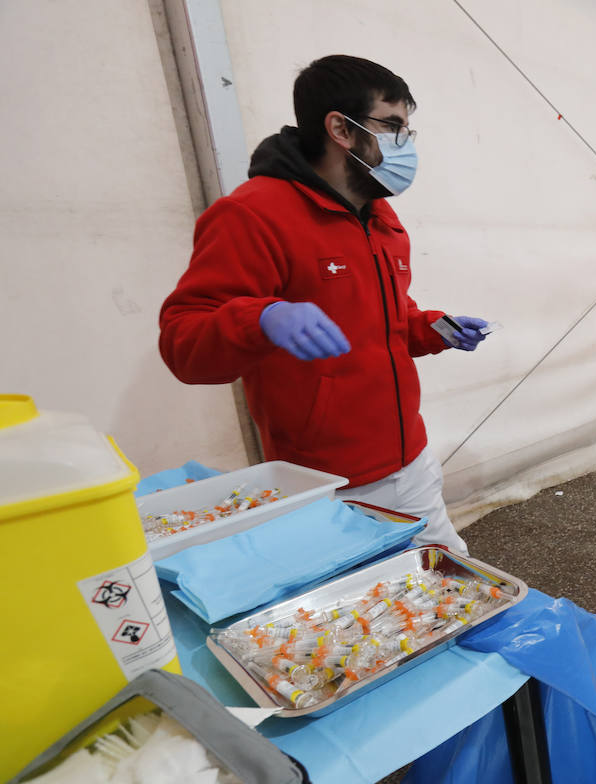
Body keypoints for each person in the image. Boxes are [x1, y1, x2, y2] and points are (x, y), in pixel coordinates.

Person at [158, 55, 486, 554]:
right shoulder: (252, 215)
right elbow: (184, 343)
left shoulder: (381, 218)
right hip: (328, 481)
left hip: (410, 458)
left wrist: (432, 328)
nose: (405, 144)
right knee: (363, 617)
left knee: (450, 586)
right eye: (393, 126)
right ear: (340, 129)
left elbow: (384, 319)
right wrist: (262, 317)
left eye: (408, 129)